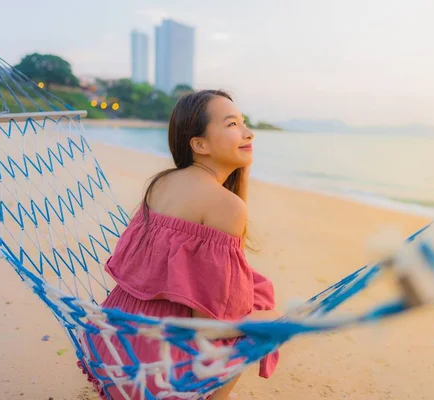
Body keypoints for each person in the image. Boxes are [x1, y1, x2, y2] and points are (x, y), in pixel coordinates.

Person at [77, 90, 281, 399]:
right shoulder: (225, 206)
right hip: (157, 363)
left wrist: (242, 175)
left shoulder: (162, 182)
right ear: (199, 145)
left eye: (244, 122)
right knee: (254, 335)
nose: (248, 132)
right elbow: (209, 326)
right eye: (232, 125)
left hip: (114, 341)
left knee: (254, 293)